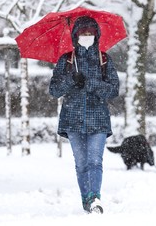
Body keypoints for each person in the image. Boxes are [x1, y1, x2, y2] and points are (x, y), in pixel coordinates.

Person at [49, 16, 120, 214]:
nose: (87, 36)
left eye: (90, 33)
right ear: (75, 35)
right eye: (83, 33)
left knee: (95, 161)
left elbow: (114, 90)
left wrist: (90, 83)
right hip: (72, 120)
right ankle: (86, 199)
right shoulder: (67, 60)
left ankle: (94, 197)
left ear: (96, 35)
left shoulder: (104, 59)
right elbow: (54, 90)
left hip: (98, 119)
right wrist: (72, 79)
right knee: (81, 164)